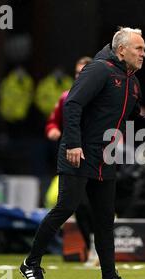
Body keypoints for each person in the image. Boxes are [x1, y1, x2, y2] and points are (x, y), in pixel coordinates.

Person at [20, 27, 145, 279]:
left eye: (144, 49)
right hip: (80, 153)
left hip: (105, 158)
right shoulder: (99, 69)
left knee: (105, 219)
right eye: (139, 49)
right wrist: (73, 144)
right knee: (66, 208)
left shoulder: (132, 81)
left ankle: (109, 278)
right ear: (122, 50)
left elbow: (136, 121)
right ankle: (31, 263)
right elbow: (72, 104)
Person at [45, 56, 99, 265]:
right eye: (77, 73)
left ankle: (99, 249)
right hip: (72, 159)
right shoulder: (66, 97)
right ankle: (90, 248)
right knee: (77, 205)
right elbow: (52, 122)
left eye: (83, 73)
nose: (80, 77)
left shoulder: (101, 98)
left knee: (98, 205)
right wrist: (53, 131)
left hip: (97, 159)